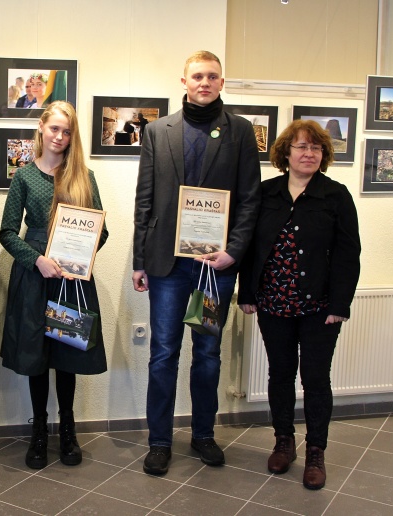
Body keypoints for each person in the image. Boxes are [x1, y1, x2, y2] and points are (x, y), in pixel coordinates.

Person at [132, 50, 261, 475]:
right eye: (197, 76)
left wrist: (234, 252)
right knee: (163, 353)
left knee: (207, 353)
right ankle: (160, 441)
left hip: (214, 267)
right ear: (183, 82)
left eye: (212, 76)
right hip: (167, 266)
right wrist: (138, 259)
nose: (204, 82)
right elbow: (145, 199)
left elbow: (248, 201)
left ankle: (204, 435)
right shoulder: (157, 131)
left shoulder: (241, 132)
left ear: (222, 83)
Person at [238, 120, 360, 490]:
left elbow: (347, 253)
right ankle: (284, 442)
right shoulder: (266, 193)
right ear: (285, 154)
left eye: (316, 148)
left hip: (320, 308)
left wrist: (340, 303)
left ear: (323, 156)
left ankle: (316, 452)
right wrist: (247, 293)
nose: (309, 154)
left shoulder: (335, 195)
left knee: (316, 380)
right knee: (280, 374)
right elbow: (250, 247)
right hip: (273, 303)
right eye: (301, 147)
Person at [0, 100, 108, 470]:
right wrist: (37, 260)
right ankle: (40, 430)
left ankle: (67, 427)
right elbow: (8, 232)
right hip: (35, 279)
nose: (60, 137)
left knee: (67, 355)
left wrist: (80, 258)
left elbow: (101, 230)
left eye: (67, 131)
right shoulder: (24, 177)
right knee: (37, 357)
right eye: (54, 129)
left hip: (72, 282)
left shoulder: (84, 177)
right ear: (42, 128)